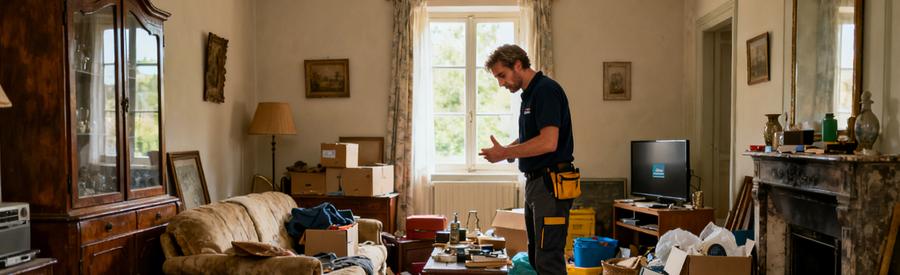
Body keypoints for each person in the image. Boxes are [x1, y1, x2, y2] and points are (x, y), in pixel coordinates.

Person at [479, 44, 575, 275]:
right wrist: (506, 150)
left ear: (518, 65)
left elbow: (548, 142)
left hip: (550, 185)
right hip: (536, 184)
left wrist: (505, 153)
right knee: (536, 256)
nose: (501, 83)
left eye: (502, 75)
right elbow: (530, 138)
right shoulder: (529, 95)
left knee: (548, 258)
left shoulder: (545, 90)